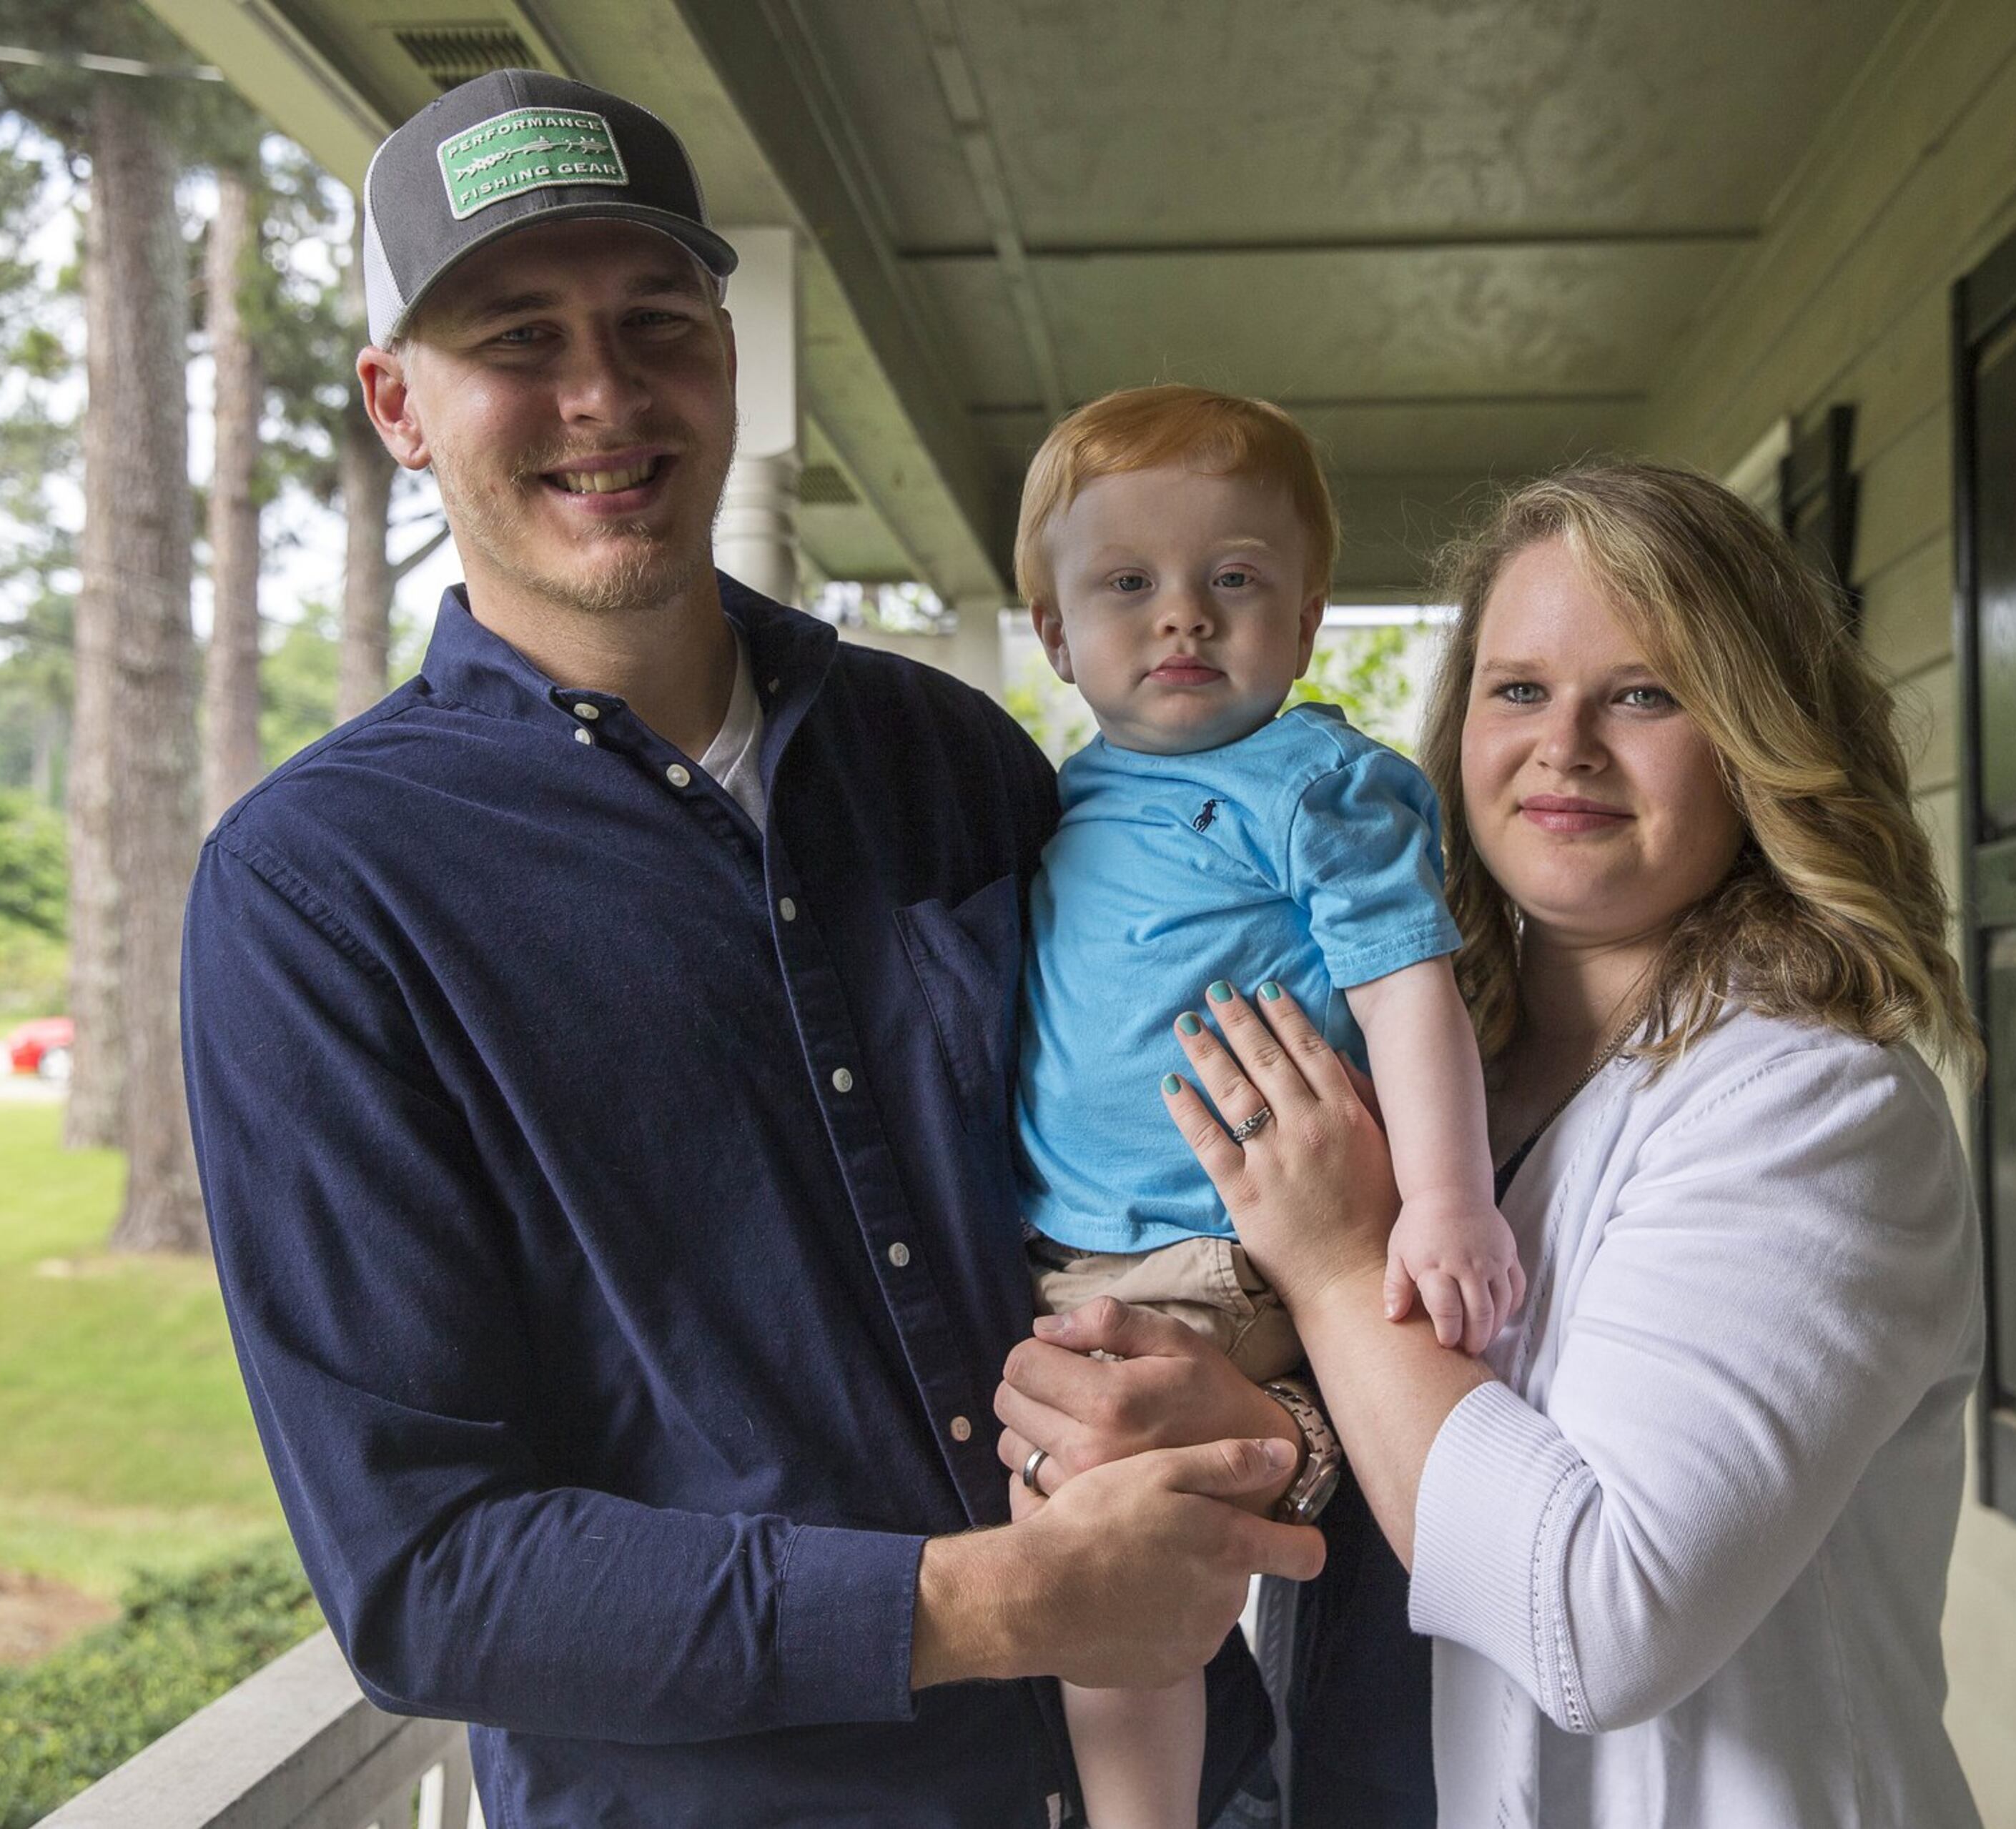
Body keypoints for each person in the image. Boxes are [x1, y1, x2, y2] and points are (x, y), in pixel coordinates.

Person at [178, 69, 1326, 1828]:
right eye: (519, 337)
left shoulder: (955, 761)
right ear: (400, 405)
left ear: (729, 360)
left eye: (656, 323)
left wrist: (1263, 1388)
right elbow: (423, 1575)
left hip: (1187, 1776)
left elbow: (1177, 1171)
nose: (603, 395)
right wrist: (989, 1602)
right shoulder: (323, 891)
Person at [1147, 462, 1990, 1825]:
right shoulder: (1440, 1079)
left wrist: (1325, 1259)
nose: (1568, 746)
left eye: (1646, 693)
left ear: (1755, 733)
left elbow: (1600, 1619)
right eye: (1520, 688)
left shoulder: (1815, 1108)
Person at [1004, 384, 1521, 1829]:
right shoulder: (1070, 795)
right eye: (1128, 584)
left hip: (1213, 1248)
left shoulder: (1314, 784)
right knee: (1066, 1544)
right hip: (1071, 1247)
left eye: (1233, 580)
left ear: (1301, 623)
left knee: (1105, 1563)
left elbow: (1409, 985)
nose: (1183, 616)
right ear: (1055, 631)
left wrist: (1448, 1198)